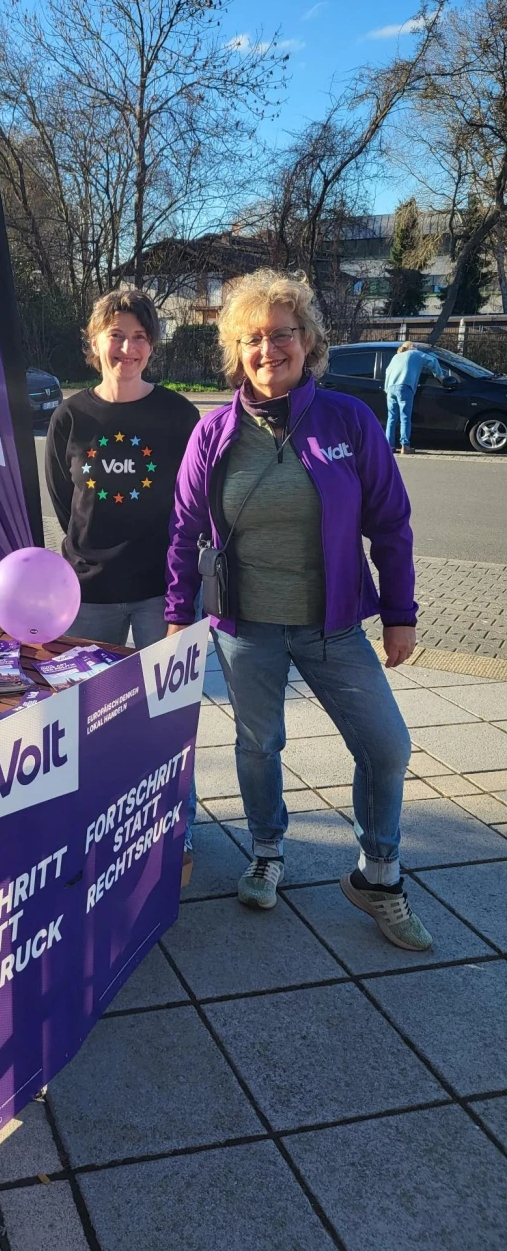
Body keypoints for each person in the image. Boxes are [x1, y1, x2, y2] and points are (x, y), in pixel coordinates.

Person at [164, 269, 431, 950]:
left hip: (334, 624)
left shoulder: (350, 420)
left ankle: (379, 871)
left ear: (308, 341)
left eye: (282, 334)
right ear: (235, 349)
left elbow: (392, 523)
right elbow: (185, 529)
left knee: (386, 746)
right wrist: (176, 614)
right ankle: (265, 848)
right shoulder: (213, 434)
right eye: (251, 338)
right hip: (244, 626)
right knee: (259, 743)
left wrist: (399, 611)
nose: (267, 349)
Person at [46, 287, 200, 876]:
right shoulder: (72, 415)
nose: (127, 348)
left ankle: (177, 831)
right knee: (87, 725)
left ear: (152, 347)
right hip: (89, 595)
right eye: (116, 335)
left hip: (164, 593)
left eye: (139, 337)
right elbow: (66, 504)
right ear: (95, 342)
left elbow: (194, 499)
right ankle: (92, 831)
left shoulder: (176, 414)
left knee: (168, 719)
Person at [384, 341, 444, 454]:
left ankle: (389, 446)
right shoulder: (415, 354)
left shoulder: (396, 357)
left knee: (391, 418)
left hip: (390, 388)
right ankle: (405, 446)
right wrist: (440, 376)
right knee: (405, 417)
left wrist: (386, 389)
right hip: (405, 386)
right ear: (412, 347)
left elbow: (387, 372)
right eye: (415, 346)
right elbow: (433, 361)